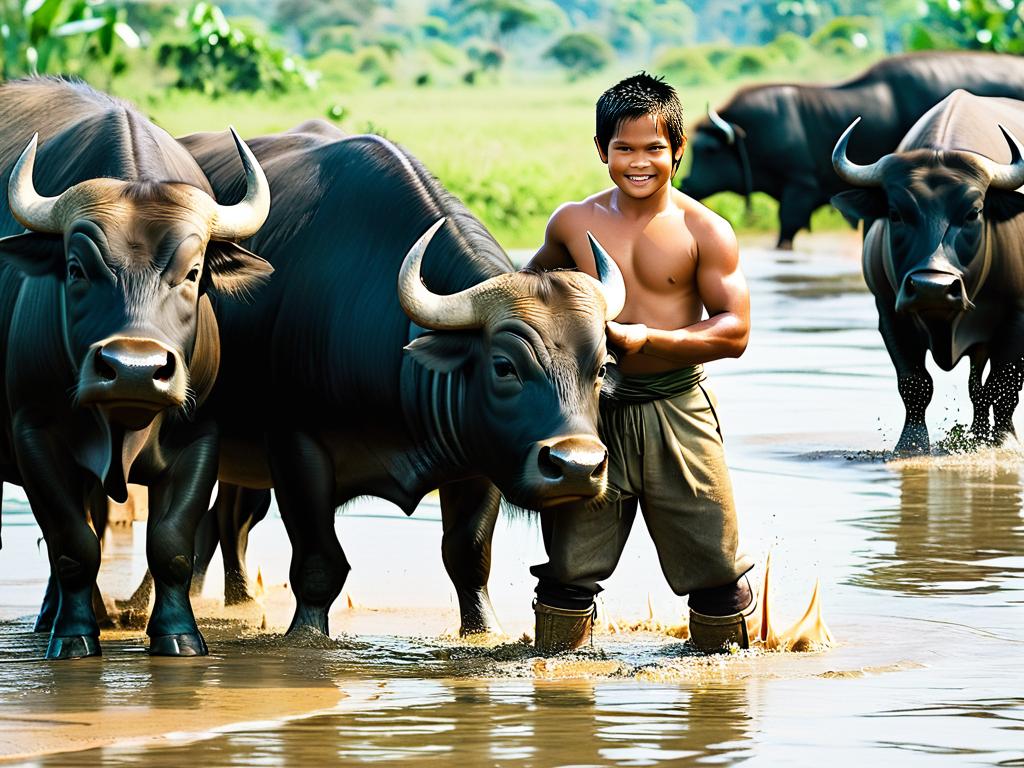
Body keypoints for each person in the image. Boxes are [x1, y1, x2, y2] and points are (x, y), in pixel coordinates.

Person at [527, 72, 755, 653]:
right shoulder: (572, 223)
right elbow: (530, 296)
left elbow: (734, 331)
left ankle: (720, 697)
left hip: (679, 407)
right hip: (592, 413)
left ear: (677, 150)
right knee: (570, 567)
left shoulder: (706, 229)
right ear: (602, 151)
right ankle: (558, 688)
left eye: (654, 148)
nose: (639, 162)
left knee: (715, 571)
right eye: (623, 148)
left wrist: (648, 340)